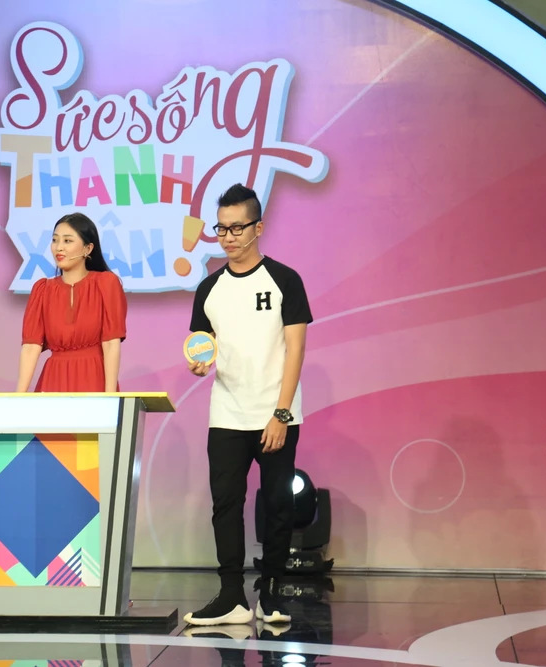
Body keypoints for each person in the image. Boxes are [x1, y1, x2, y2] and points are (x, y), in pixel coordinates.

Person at [183, 184, 313, 627]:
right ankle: (231, 596)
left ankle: (271, 592)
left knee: (277, 503)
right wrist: (199, 366)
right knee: (225, 504)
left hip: (276, 411)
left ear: (258, 227)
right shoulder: (209, 288)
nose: (229, 237)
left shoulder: (285, 280)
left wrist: (281, 413)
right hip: (227, 412)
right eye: (222, 228)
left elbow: (295, 350)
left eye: (238, 227)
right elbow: (203, 346)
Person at [16, 213, 127, 393]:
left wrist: (110, 396)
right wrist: (18, 397)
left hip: (93, 378)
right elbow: (30, 347)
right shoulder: (42, 290)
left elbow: (111, 343)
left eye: (67, 241)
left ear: (88, 248)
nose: (59, 247)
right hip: (54, 379)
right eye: (55, 240)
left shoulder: (106, 283)